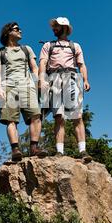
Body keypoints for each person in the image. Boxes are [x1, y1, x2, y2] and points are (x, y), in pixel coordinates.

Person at [39, 17, 92, 163]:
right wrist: (42, 79)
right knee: (59, 116)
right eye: (53, 26)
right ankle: (59, 151)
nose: (54, 28)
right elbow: (43, 63)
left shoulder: (75, 46)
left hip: (72, 77)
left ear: (64, 28)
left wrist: (86, 80)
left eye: (57, 26)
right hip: (54, 78)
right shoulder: (48, 45)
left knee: (77, 116)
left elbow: (82, 65)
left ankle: (82, 150)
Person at [0, 22, 48, 162]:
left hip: (27, 86)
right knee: (11, 120)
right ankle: (15, 149)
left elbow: (34, 68)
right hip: (8, 87)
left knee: (36, 116)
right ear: (8, 32)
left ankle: (34, 148)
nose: (20, 31)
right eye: (17, 29)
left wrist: (40, 81)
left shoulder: (26, 49)